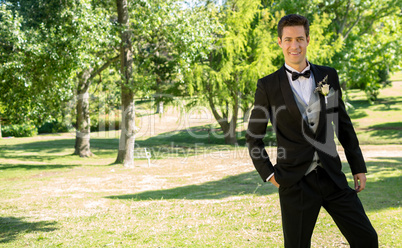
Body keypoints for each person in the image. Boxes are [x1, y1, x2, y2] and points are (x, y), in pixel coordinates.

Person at [245, 14, 378, 248]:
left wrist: (358, 167)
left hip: (332, 177)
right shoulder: (267, 85)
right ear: (279, 42)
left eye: (299, 39)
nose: (294, 45)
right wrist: (270, 175)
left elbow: (343, 125)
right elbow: (253, 138)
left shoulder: (328, 76)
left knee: (367, 239)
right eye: (288, 40)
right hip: (295, 182)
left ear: (308, 40)